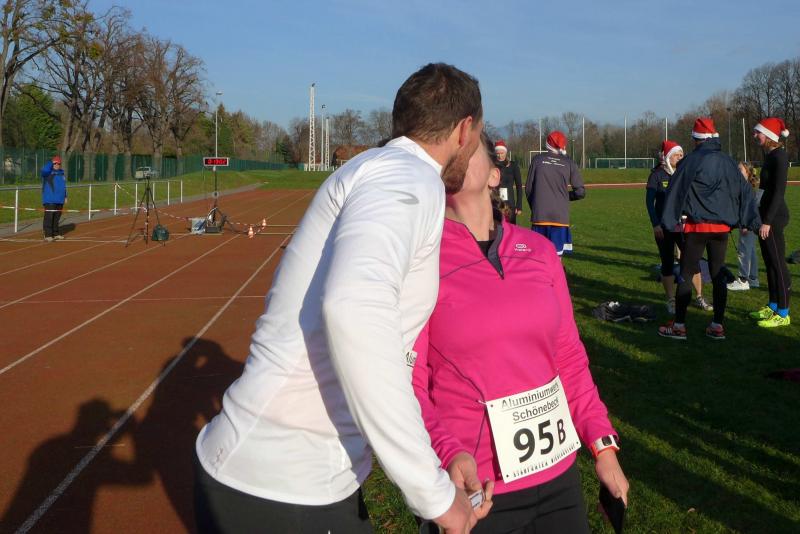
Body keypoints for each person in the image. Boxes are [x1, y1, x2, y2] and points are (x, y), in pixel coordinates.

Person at [194, 63, 486, 534]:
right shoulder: (409, 176)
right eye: (477, 138)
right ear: (464, 129)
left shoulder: (379, 169)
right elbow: (355, 308)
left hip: (286, 480)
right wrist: (432, 494)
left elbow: (388, 348)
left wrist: (433, 462)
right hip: (286, 486)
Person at [414, 132, 628, 533]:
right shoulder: (420, 261)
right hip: (475, 487)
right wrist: (447, 454)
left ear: (495, 174)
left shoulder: (540, 252)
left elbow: (569, 358)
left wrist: (603, 445)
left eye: (469, 144)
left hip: (558, 478)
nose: (458, 149)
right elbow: (409, 383)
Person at [658, 118, 760, 340]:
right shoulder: (728, 161)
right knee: (718, 274)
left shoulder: (692, 160)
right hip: (721, 229)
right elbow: (745, 191)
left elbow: (675, 189)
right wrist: (749, 220)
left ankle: (679, 326)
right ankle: (717, 325)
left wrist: (667, 220)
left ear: (696, 139)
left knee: (686, 273)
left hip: (697, 226)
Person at [645, 141, 712, 314]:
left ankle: (699, 297)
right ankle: (671, 300)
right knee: (667, 262)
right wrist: (655, 224)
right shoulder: (657, 175)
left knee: (692, 261)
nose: (680, 157)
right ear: (668, 157)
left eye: (682, 154)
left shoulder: (684, 173)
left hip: (684, 226)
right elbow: (649, 202)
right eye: (676, 155)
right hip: (664, 227)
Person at [749, 118, 792, 327]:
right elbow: (764, 190)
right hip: (765, 217)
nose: (755, 135)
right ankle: (773, 305)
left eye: (758, 132)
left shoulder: (780, 157)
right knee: (769, 263)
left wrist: (767, 221)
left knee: (778, 264)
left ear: (768, 135)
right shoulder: (769, 156)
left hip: (774, 219)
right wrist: (757, 215)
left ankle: (783, 313)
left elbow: (778, 192)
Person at [525, 131, 585, 256]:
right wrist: (565, 196)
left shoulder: (537, 160)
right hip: (560, 217)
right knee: (557, 257)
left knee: (539, 256)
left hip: (540, 216)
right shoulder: (569, 162)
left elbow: (528, 189)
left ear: (547, 143)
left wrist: (536, 206)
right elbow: (580, 192)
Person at [727, 161, 762, 291]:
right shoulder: (745, 187)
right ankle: (753, 279)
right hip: (750, 223)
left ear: (747, 172)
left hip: (749, 224)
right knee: (750, 251)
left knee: (744, 251)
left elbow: (748, 209)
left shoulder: (746, 188)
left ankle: (743, 280)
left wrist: (745, 225)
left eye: (740, 169)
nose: (737, 171)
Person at [494, 140, 522, 224]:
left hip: (510, 205)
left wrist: (519, 206)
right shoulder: (492, 165)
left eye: (502, 153)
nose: (499, 155)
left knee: (510, 228)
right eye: (498, 153)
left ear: (506, 152)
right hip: (496, 204)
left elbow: (519, 186)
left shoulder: (513, 166)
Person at [41, 155, 67, 242]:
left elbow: (63, 186)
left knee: (57, 218)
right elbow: (44, 170)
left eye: (58, 163)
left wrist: (65, 196)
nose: (57, 165)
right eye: (55, 163)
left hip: (60, 200)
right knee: (49, 217)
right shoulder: (47, 173)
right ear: (52, 164)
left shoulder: (62, 174)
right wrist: (51, 162)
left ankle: (55, 233)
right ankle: (48, 234)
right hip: (50, 199)